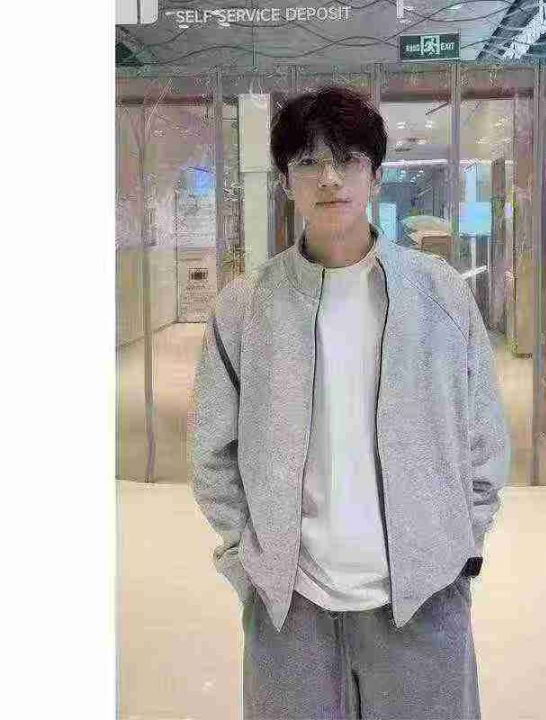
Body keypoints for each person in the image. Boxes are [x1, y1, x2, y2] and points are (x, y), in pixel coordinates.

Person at [189, 86, 510, 719]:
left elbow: (484, 435)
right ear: (286, 181)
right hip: (291, 607)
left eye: (347, 160)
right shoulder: (245, 307)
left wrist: (458, 551)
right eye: (308, 162)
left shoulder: (438, 293)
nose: (329, 178)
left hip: (422, 598)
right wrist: (247, 563)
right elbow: (212, 452)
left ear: (376, 175)